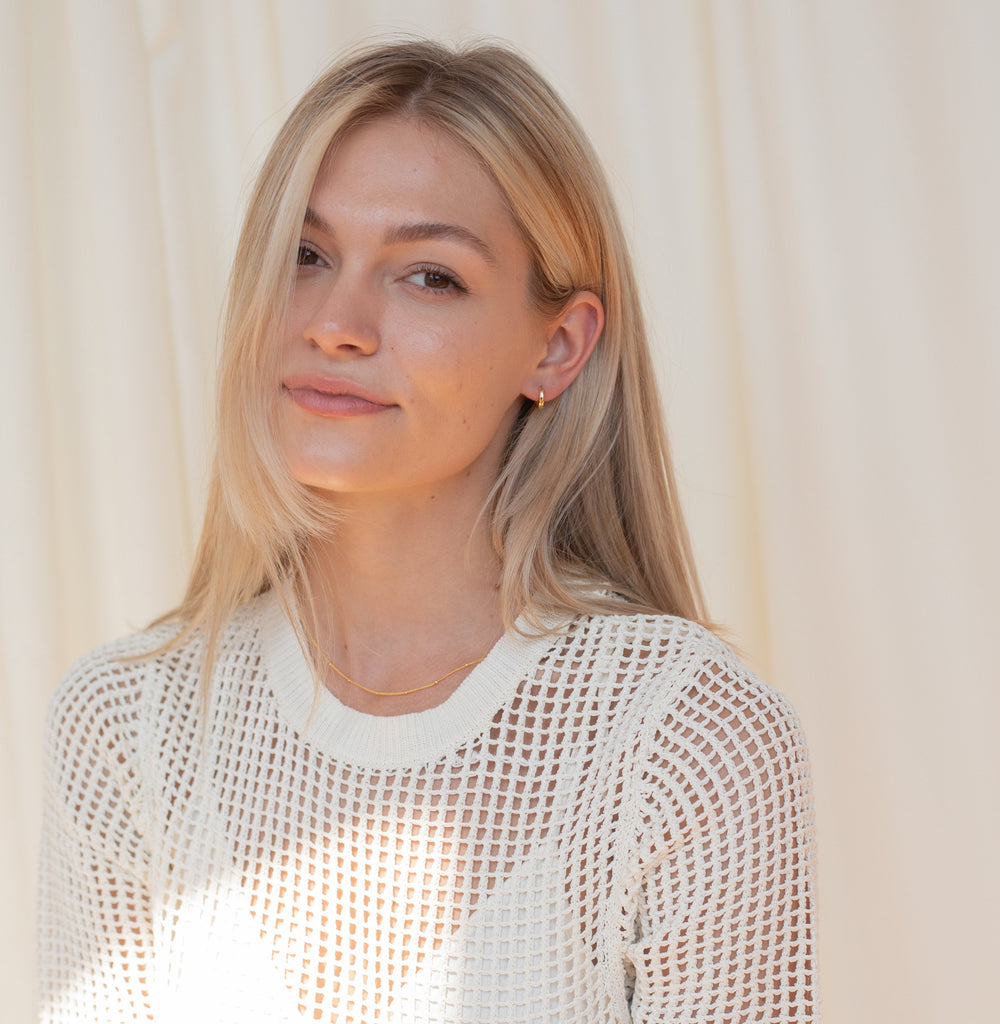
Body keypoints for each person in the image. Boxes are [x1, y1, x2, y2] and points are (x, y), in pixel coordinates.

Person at [37, 39, 818, 1023]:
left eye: (429, 277)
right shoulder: (128, 727)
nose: (336, 322)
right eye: (306, 255)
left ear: (558, 345)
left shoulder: (683, 738)